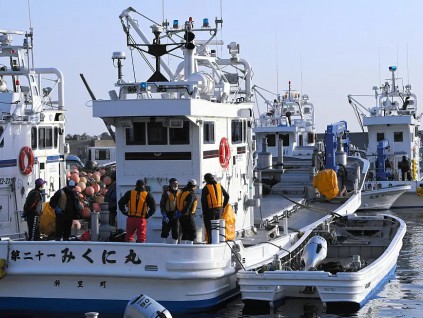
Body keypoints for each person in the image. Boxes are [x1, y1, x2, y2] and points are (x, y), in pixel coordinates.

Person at [201, 173, 229, 244]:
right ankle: (218, 243)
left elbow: (203, 202)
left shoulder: (206, 188)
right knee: (218, 228)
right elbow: (227, 196)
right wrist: (223, 206)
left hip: (210, 212)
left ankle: (211, 243)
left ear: (206, 180)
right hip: (219, 211)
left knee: (210, 229)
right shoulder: (219, 186)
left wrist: (204, 213)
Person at [176, 179, 198, 244]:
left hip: (181, 216)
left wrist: (180, 213)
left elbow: (177, 204)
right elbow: (188, 206)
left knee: (184, 232)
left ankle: (183, 246)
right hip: (188, 216)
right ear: (194, 186)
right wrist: (184, 213)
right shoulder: (191, 194)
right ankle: (190, 247)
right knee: (192, 232)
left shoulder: (181, 193)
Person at [160, 178, 181, 244]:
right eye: (174, 183)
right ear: (170, 184)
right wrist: (164, 215)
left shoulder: (180, 192)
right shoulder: (166, 193)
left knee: (176, 232)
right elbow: (162, 205)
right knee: (165, 231)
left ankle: (174, 246)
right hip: (167, 214)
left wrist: (179, 212)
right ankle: (164, 245)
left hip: (176, 215)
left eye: (176, 183)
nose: (175, 185)